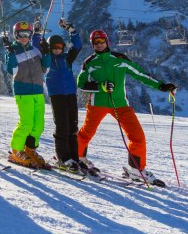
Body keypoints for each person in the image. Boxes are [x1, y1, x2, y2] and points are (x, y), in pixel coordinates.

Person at [76, 29, 177, 184]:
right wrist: (100, 86)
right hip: (98, 104)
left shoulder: (119, 59)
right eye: (96, 43)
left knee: (137, 136)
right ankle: (79, 158)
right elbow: (81, 83)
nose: (99, 45)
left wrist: (161, 86)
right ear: (92, 45)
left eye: (102, 41)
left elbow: (140, 74)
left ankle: (136, 169)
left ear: (107, 41)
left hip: (120, 104)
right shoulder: (89, 62)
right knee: (85, 134)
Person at [3, 21, 50, 168]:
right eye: (20, 35)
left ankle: (30, 149)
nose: (24, 37)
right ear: (16, 35)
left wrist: (46, 52)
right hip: (23, 91)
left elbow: (45, 68)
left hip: (37, 90)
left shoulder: (35, 50)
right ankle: (16, 151)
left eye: (27, 34)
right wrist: (10, 53)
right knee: (26, 123)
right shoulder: (13, 51)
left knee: (39, 125)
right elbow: (11, 70)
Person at [43, 19, 84, 172]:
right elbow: (38, 48)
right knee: (62, 126)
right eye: (54, 47)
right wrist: (38, 36)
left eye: (60, 47)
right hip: (57, 95)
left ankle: (74, 157)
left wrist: (71, 30)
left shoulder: (67, 58)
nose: (57, 50)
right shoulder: (47, 60)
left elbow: (78, 46)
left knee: (73, 126)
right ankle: (64, 158)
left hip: (70, 95)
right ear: (49, 48)